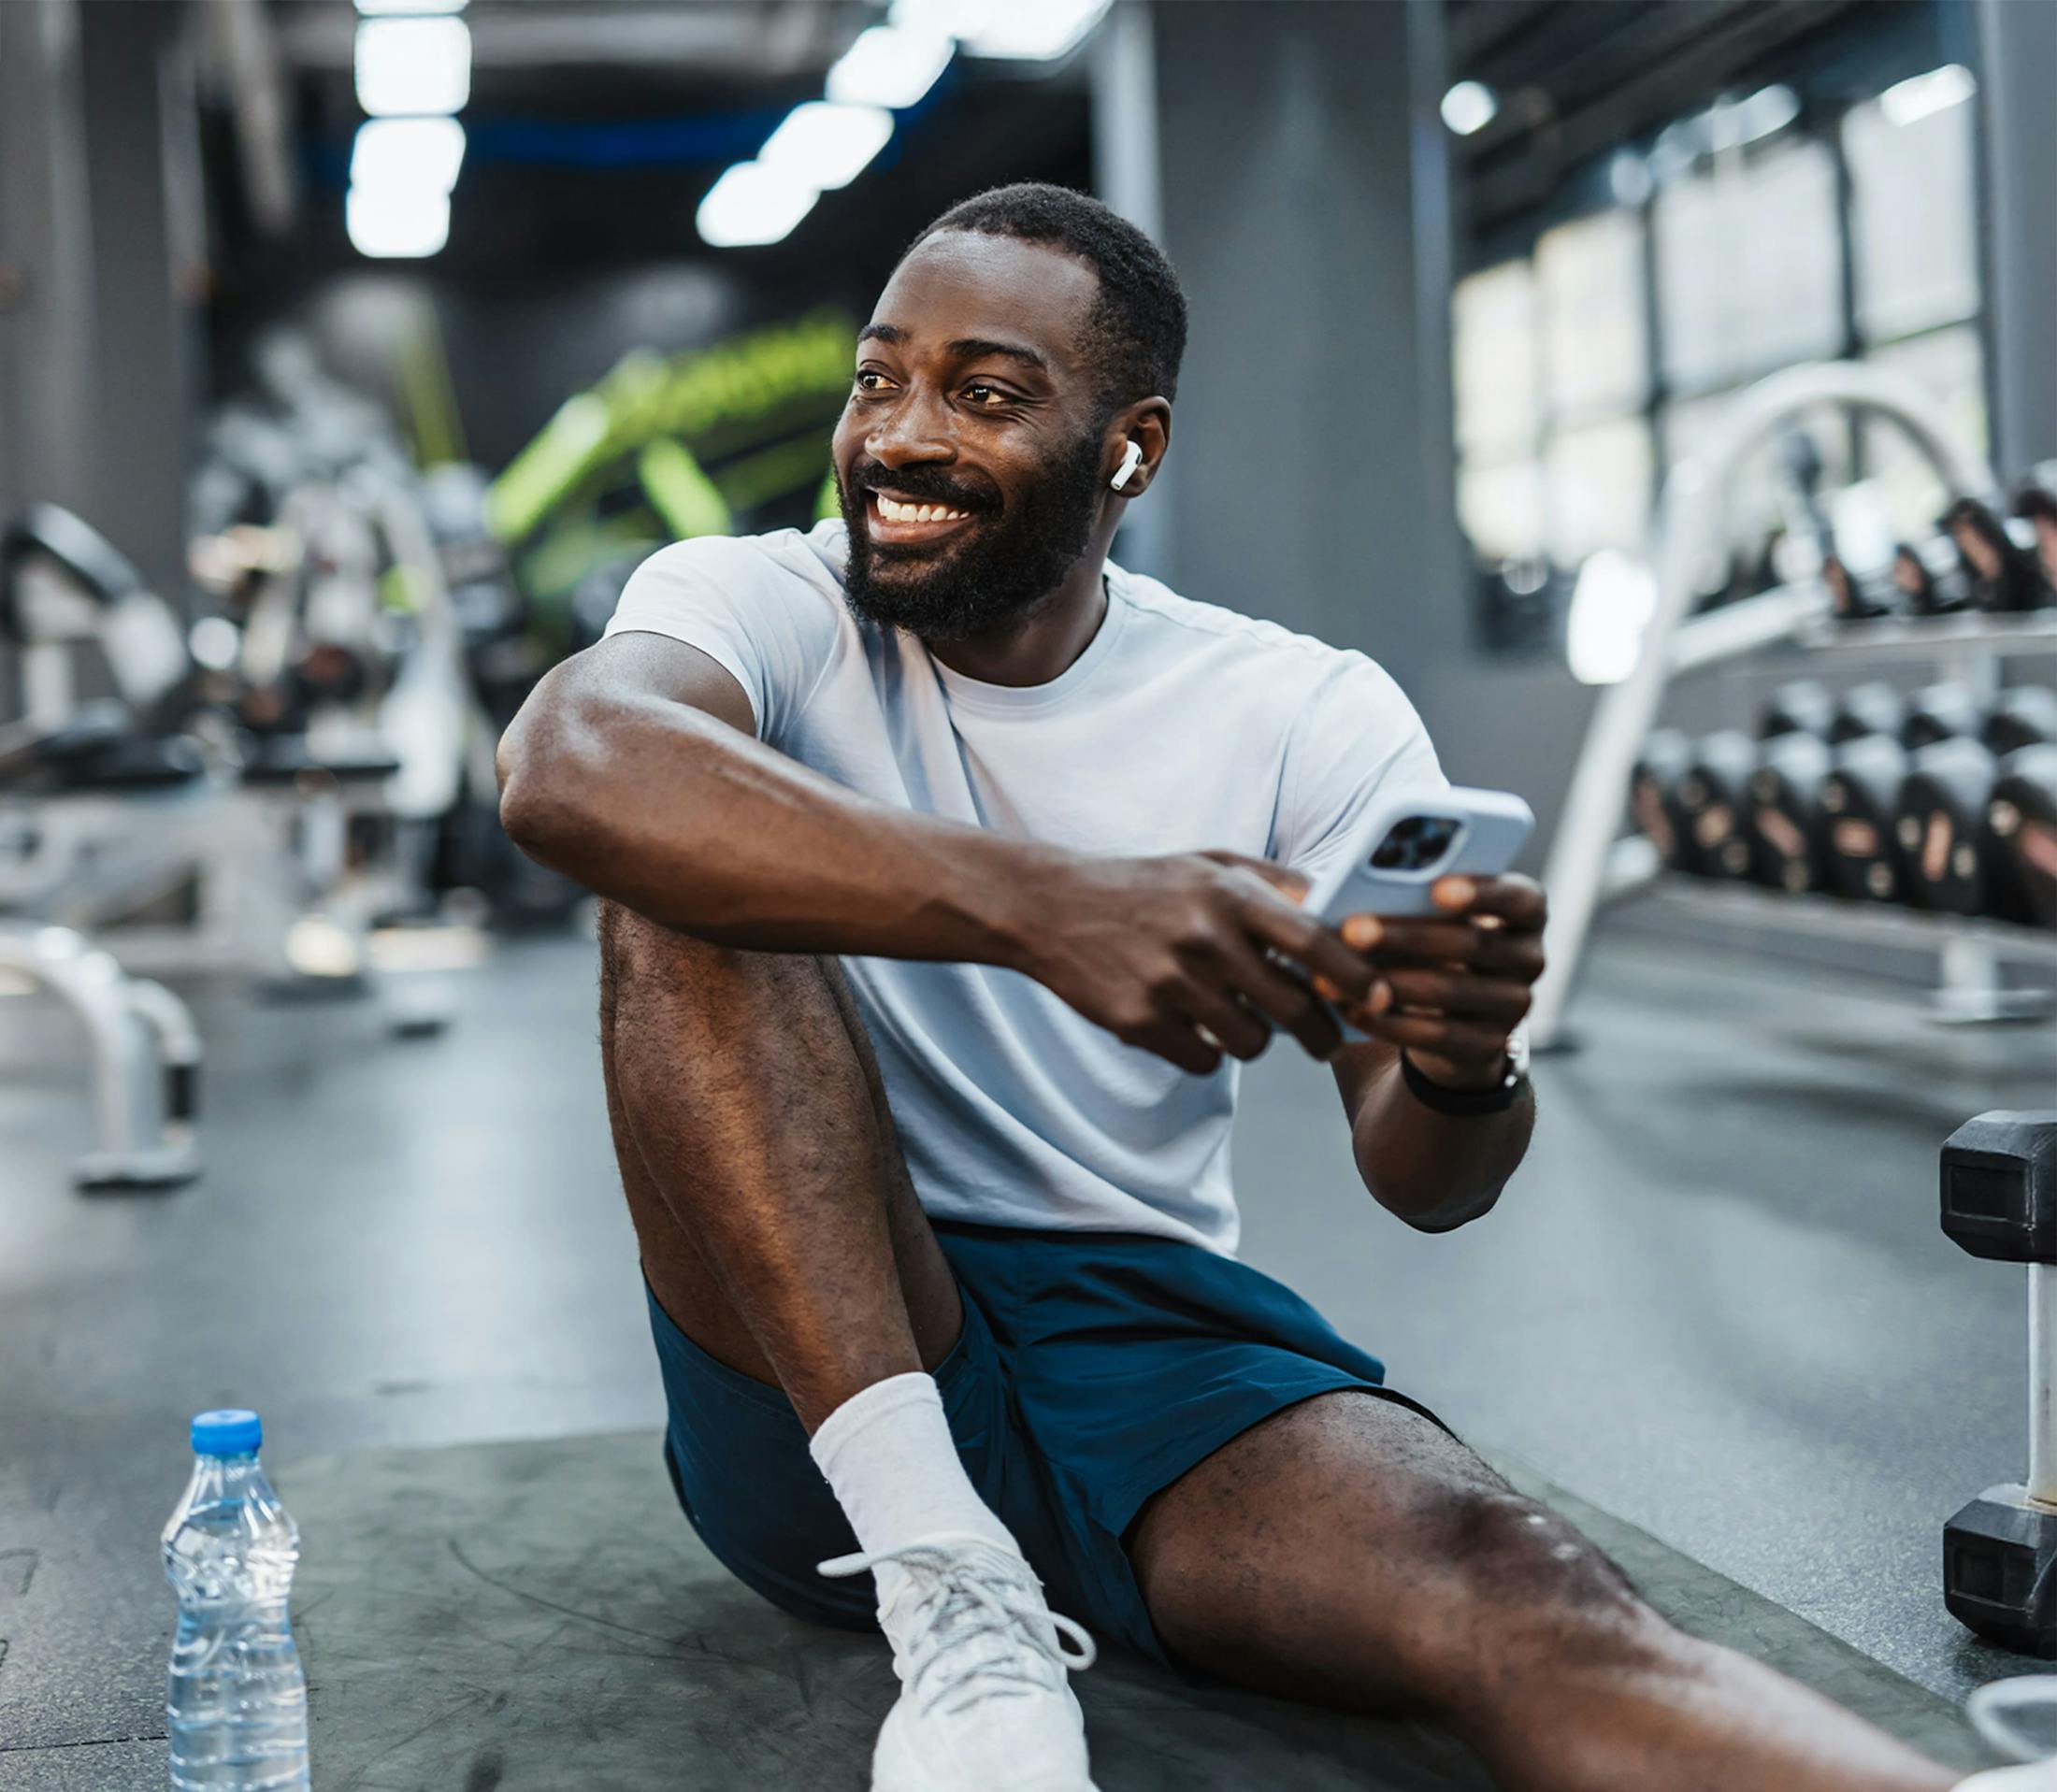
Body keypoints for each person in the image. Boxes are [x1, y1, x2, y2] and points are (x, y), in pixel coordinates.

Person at [497, 184, 2029, 1792]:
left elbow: (1426, 1181)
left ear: (1130, 449)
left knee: (1515, 1584)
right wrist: (1048, 908)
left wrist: (1457, 1060)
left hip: (1150, 1342)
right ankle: (951, 1587)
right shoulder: (766, 601)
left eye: (988, 393)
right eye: (879, 376)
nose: (900, 433)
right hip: (819, 1354)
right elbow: (567, 767)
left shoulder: (1298, 709)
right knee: (676, 868)